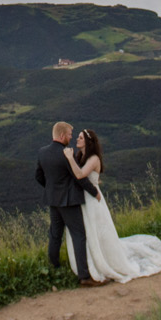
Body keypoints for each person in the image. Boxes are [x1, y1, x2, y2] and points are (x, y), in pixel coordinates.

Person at [61, 129, 161, 283]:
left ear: (88, 142)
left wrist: (69, 158)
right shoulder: (81, 156)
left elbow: (80, 175)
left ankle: (104, 262)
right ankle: (91, 263)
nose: (77, 139)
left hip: (93, 201)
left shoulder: (93, 159)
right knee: (89, 232)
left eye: (80, 138)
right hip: (84, 199)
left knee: (98, 231)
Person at [34, 121, 102, 285]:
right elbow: (79, 178)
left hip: (53, 201)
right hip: (69, 201)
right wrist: (95, 193)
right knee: (79, 236)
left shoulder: (42, 152)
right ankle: (84, 276)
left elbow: (38, 176)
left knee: (55, 235)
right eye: (70, 135)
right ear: (63, 135)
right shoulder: (66, 154)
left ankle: (54, 268)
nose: (71, 138)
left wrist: (51, 189)